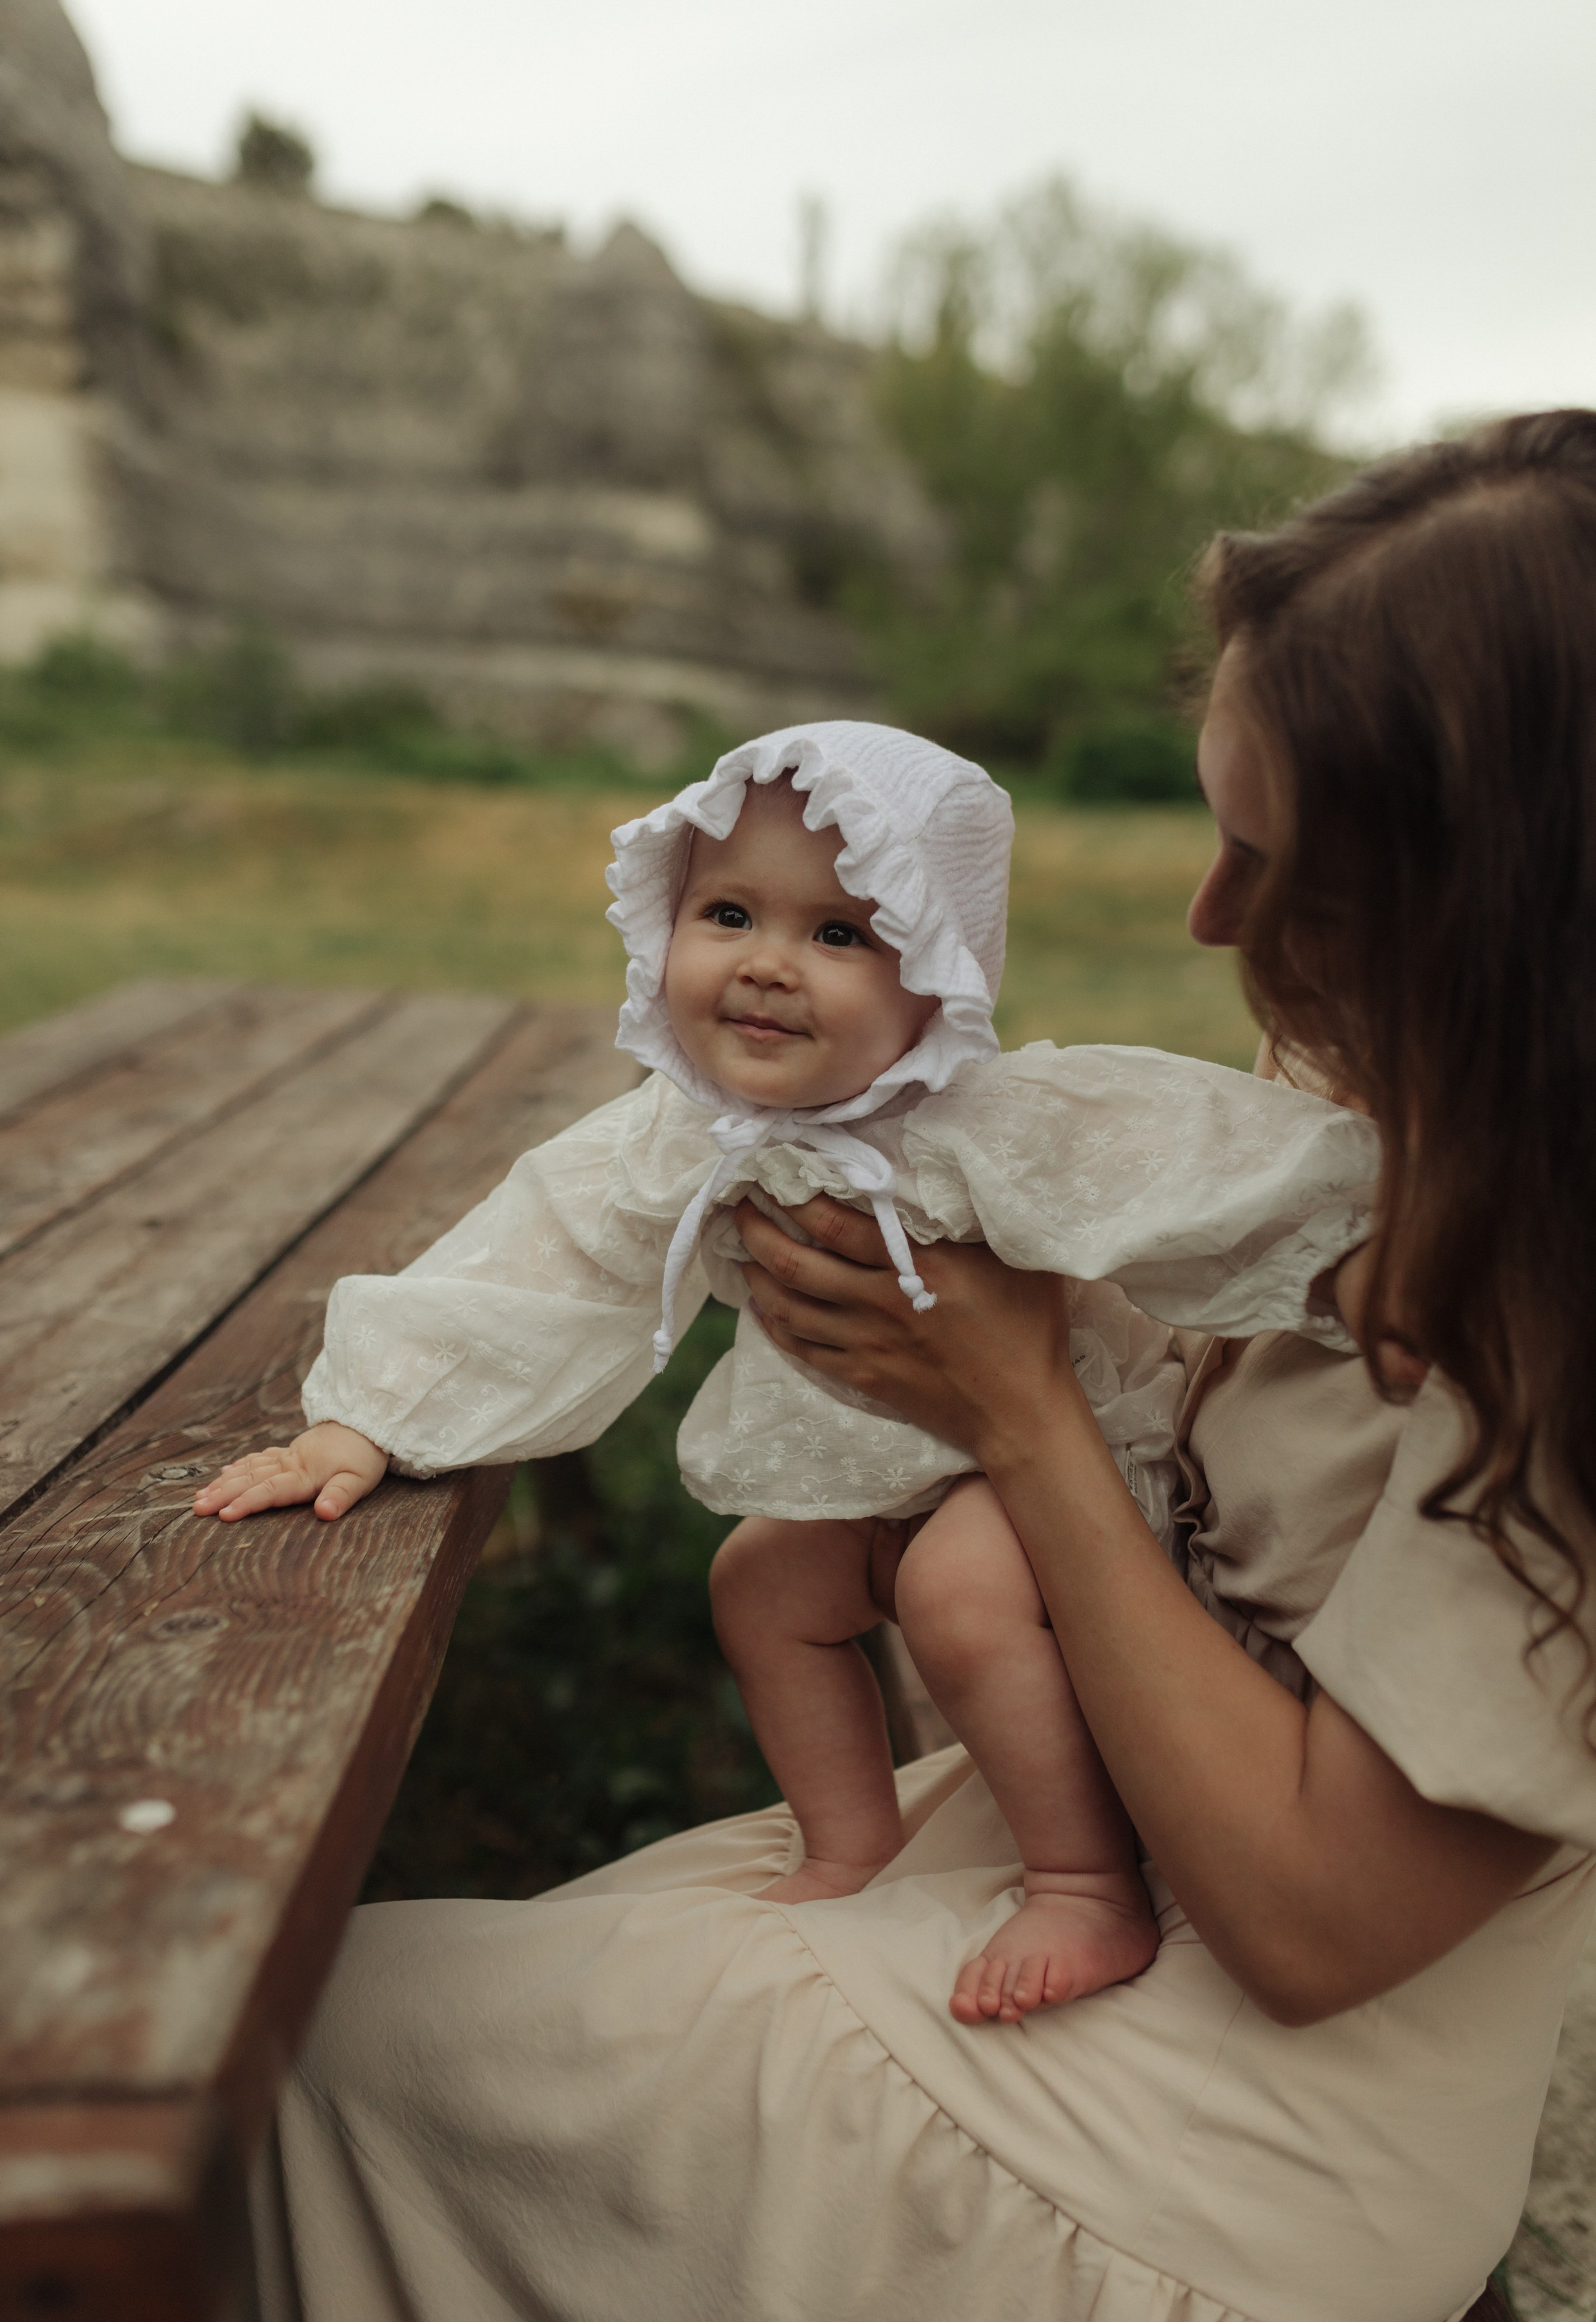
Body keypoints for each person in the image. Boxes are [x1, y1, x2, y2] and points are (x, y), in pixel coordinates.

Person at [251, 414, 1596, 2322]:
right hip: (1044, 1842)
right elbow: (580, 1223)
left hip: (1215, 2139)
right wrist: (387, 1406)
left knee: (272, 2078)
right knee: (320, 2004)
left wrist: (1017, 1411)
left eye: (1274, 860)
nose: (1209, 919)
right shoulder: (1389, 1092)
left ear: (1498, 903)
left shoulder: (1552, 1300)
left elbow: (1315, 1928)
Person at [199, 719, 1378, 2021]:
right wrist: (368, 1419)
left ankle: (1084, 1885)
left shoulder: (983, 1125)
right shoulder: (687, 1134)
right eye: (728, 915)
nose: (767, 964)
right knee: (758, 1587)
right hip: (878, 1478)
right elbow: (542, 1252)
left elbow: (1204, 1164)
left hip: (1051, 1468)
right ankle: (849, 1848)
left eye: (838, 934)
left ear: (936, 975)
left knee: (955, 1599)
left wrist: (1380, 1244)